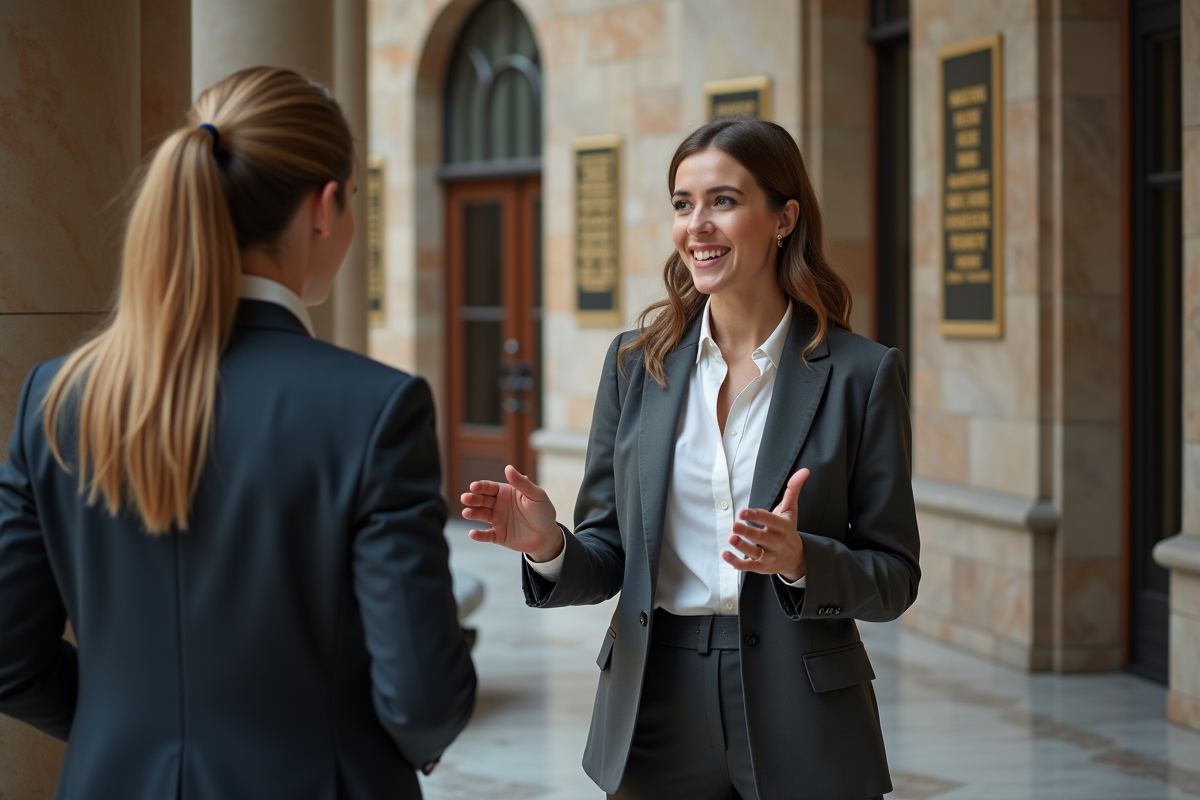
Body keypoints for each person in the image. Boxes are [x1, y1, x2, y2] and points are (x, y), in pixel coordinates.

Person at [0, 67, 475, 800]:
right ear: (325, 207)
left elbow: (8, 654)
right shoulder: (377, 409)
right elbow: (422, 697)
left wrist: (120, 730)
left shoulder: (55, 399)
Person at [462, 118, 919, 800]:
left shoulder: (861, 375)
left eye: (723, 201)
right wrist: (550, 546)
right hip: (654, 697)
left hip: (804, 703)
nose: (696, 225)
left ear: (784, 218)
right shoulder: (633, 366)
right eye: (683, 204)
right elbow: (610, 553)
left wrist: (801, 562)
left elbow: (895, 577)